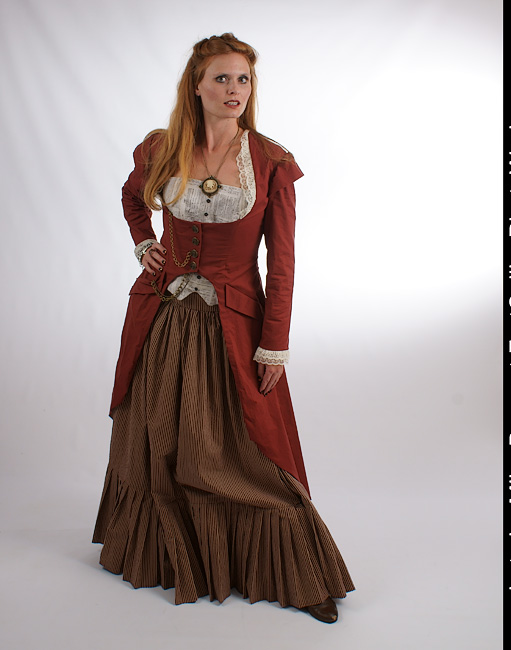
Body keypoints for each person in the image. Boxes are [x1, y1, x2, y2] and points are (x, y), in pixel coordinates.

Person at [92, 33, 354, 623]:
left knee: (250, 451)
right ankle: (173, 553)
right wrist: (144, 244)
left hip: (234, 325)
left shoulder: (270, 163)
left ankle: (295, 570)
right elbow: (133, 198)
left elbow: (282, 265)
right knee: (162, 439)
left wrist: (274, 344)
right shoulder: (161, 148)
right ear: (196, 84)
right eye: (222, 78)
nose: (235, 90)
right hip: (164, 319)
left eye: (243, 79)